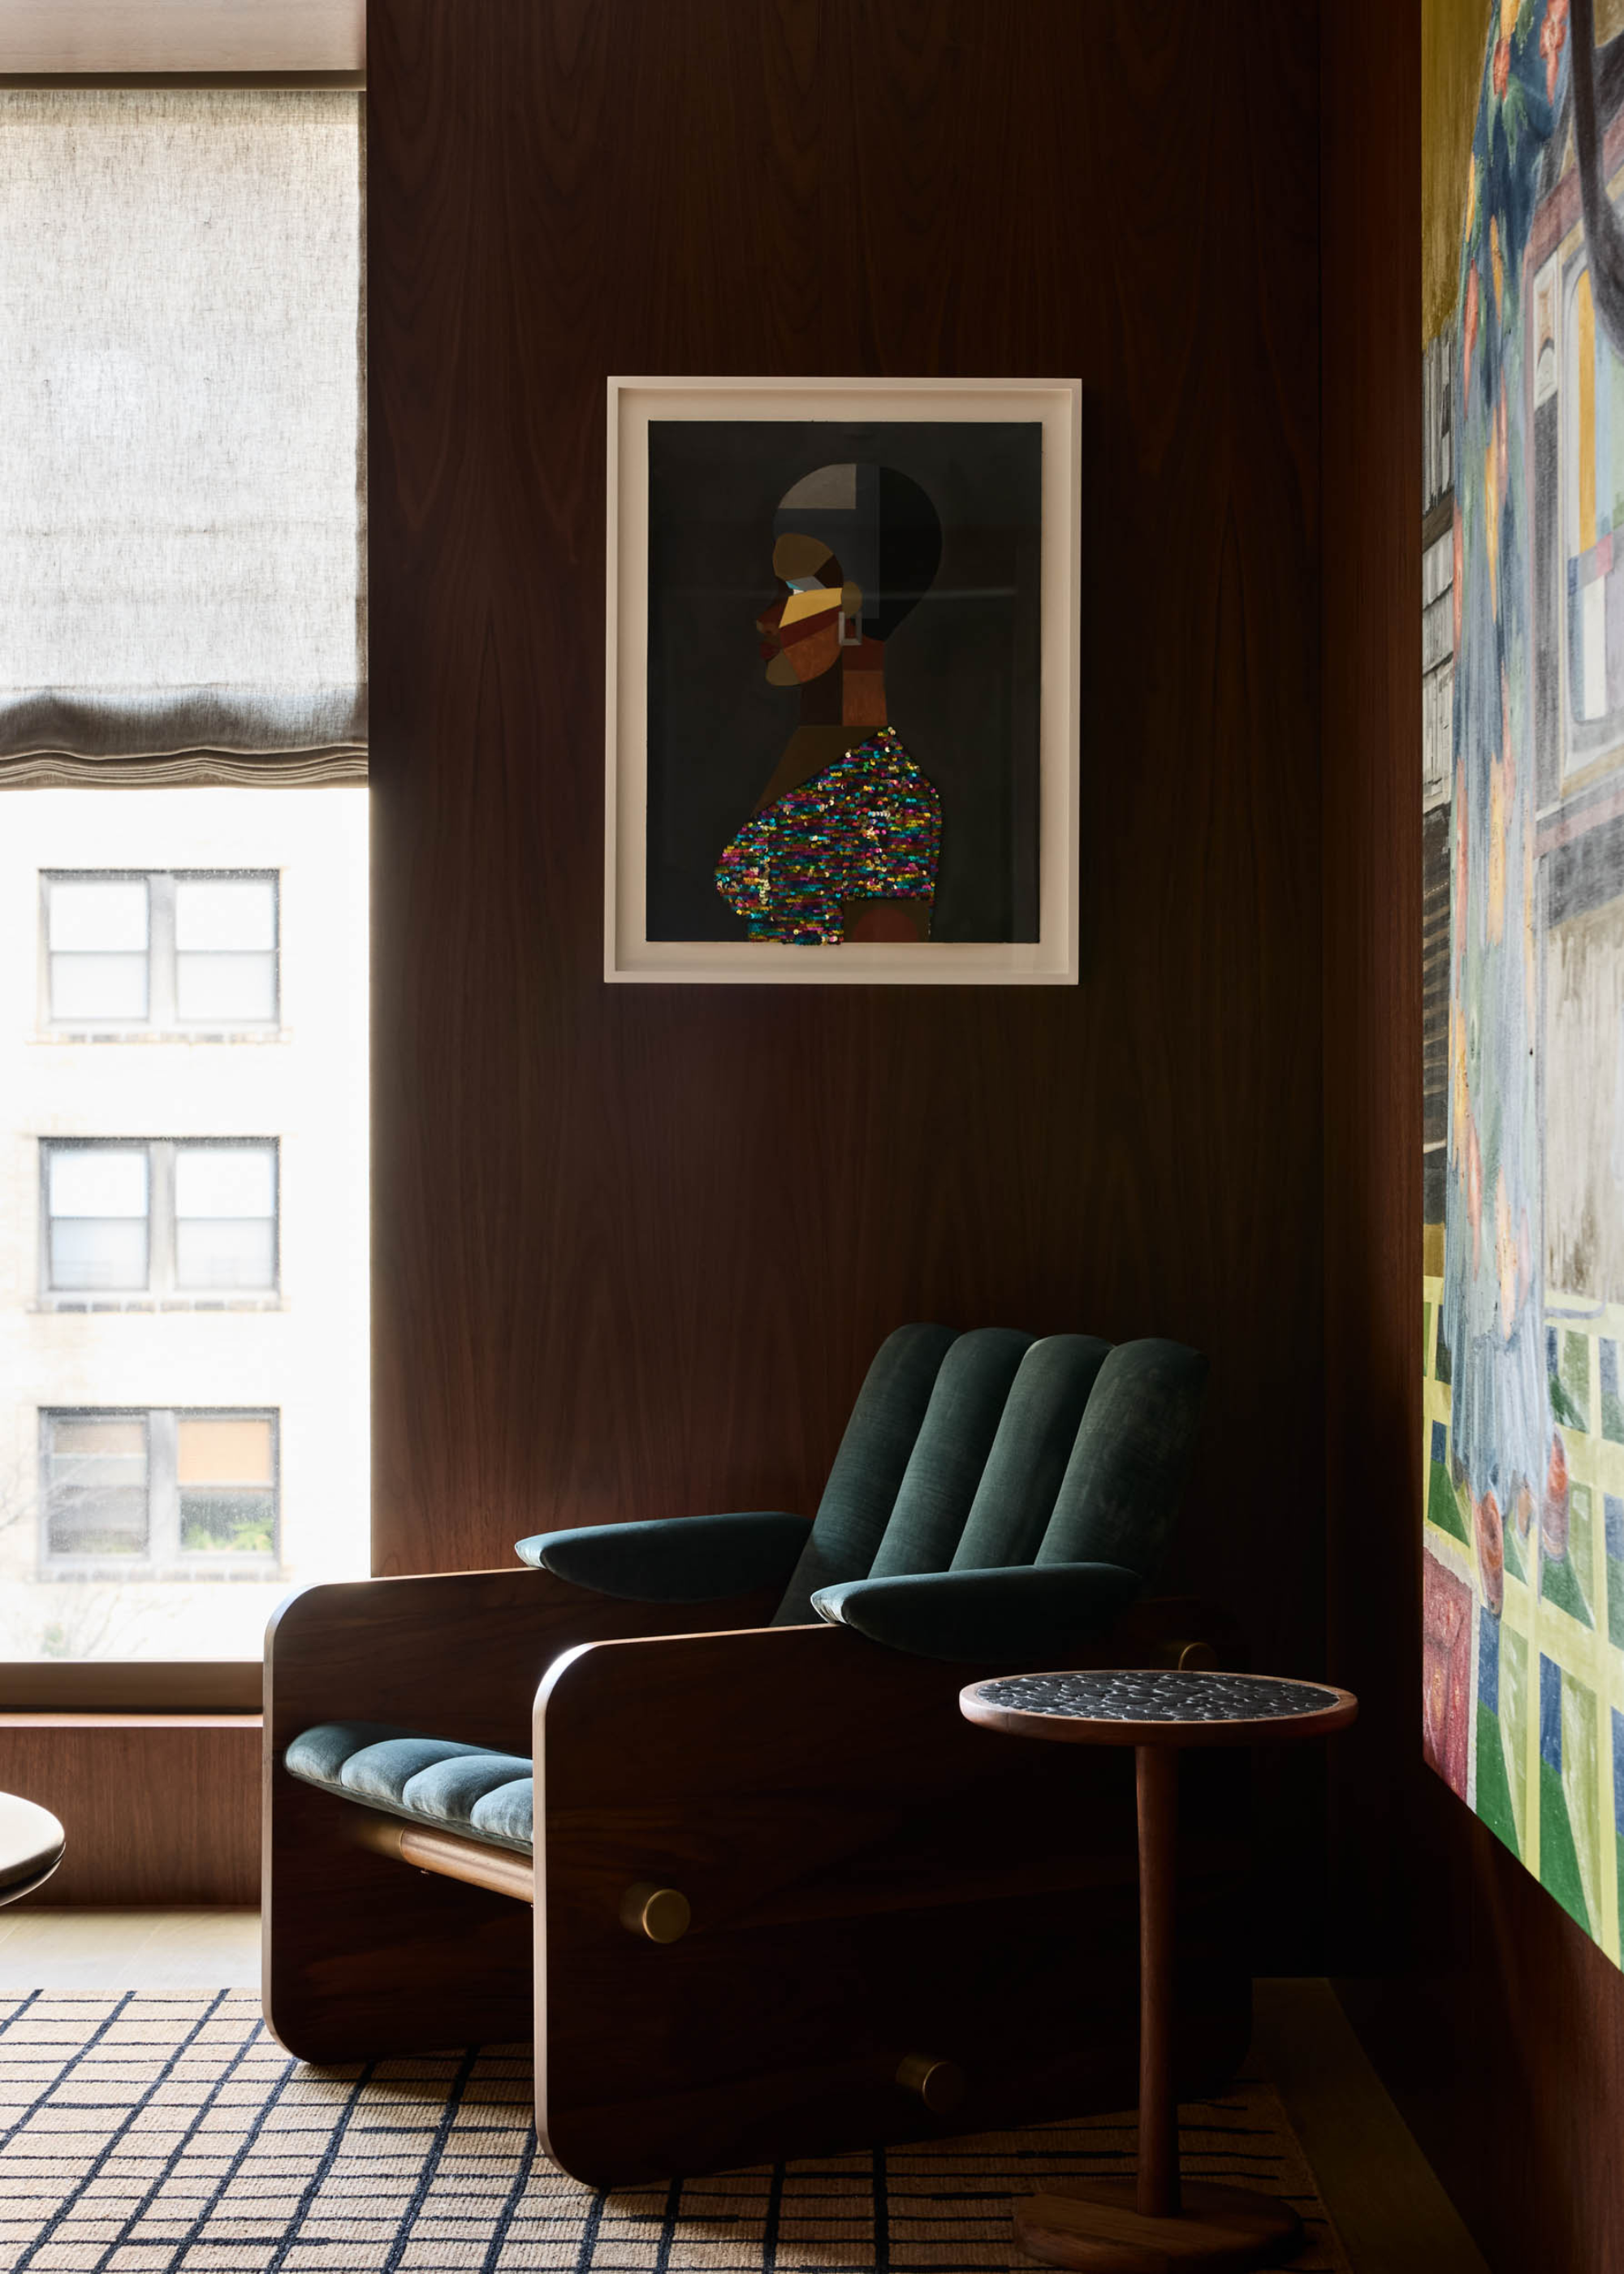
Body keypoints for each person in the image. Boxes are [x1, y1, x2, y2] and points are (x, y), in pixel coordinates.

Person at [715, 461, 943, 945]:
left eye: (797, 590)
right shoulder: (814, 752)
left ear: (854, 606)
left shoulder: (890, 799)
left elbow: (885, 984)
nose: (765, 618)